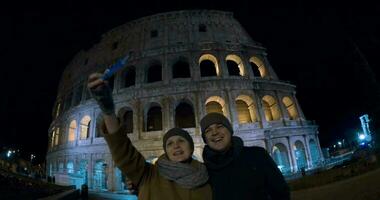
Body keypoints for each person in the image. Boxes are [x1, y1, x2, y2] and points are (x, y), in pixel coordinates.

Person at [87, 72, 212, 200]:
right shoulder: (149, 174)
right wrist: (108, 111)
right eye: (170, 143)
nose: (176, 146)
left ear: (191, 148)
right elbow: (122, 149)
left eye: (181, 140)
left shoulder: (206, 176)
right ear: (166, 151)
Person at [200, 112, 290, 200]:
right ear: (205, 139)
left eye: (220, 126)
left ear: (230, 130)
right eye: (208, 130)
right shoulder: (204, 171)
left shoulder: (257, 155)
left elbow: (281, 193)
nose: (214, 132)